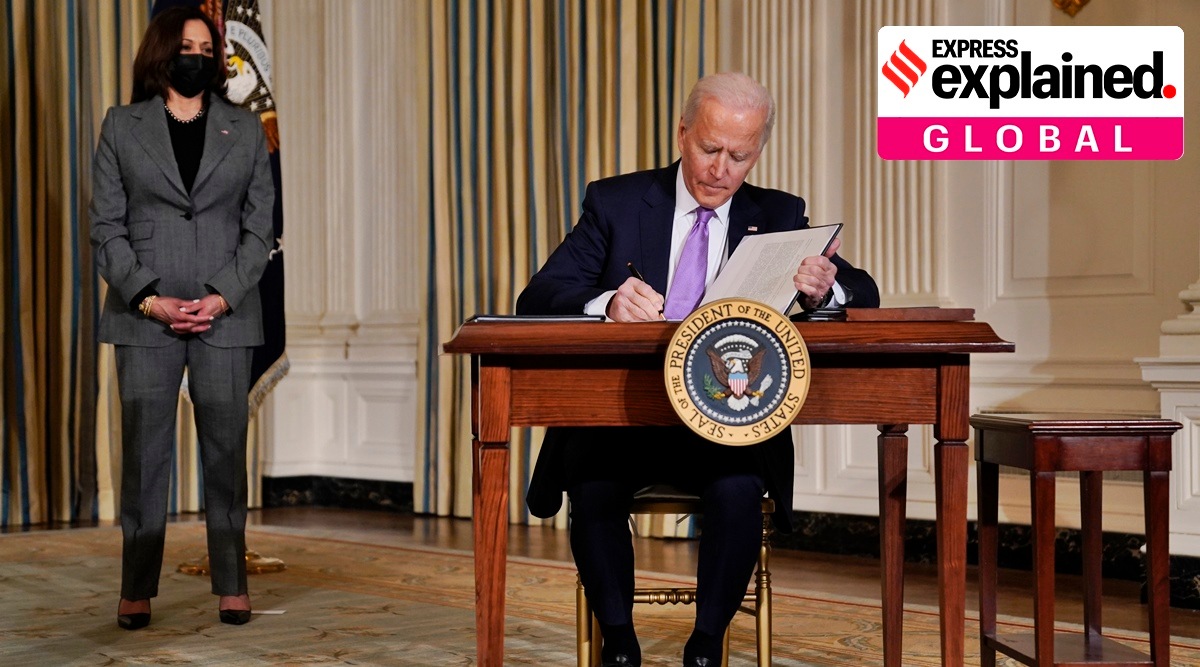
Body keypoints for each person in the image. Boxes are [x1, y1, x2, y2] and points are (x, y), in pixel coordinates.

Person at [515, 72, 879, 666]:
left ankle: (706, 648)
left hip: (725, 421)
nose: (721, 170)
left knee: (737, 492)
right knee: (593, 485)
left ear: (758, 150)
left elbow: (866, 292)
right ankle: (621, 645)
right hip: (622, 415)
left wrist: (823, 289)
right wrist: (607, 302)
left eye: (740, 155)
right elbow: (541, 294)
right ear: (683, 133)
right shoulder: (616, 202)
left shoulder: (780, 213)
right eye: (710, 149)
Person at [90, 6, 274, 630]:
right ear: (162, 53)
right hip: (144, 315)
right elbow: (106, 229)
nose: (195, 54)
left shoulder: (246, 129)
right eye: (185, 45)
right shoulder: (121, 125)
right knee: (144, 455)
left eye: (205, 45)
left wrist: (221, 295)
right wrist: (147, 295)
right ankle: (136, 587)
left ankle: (232, 582)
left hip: (226, 313)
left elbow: (260, 229)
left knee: (226, 453)